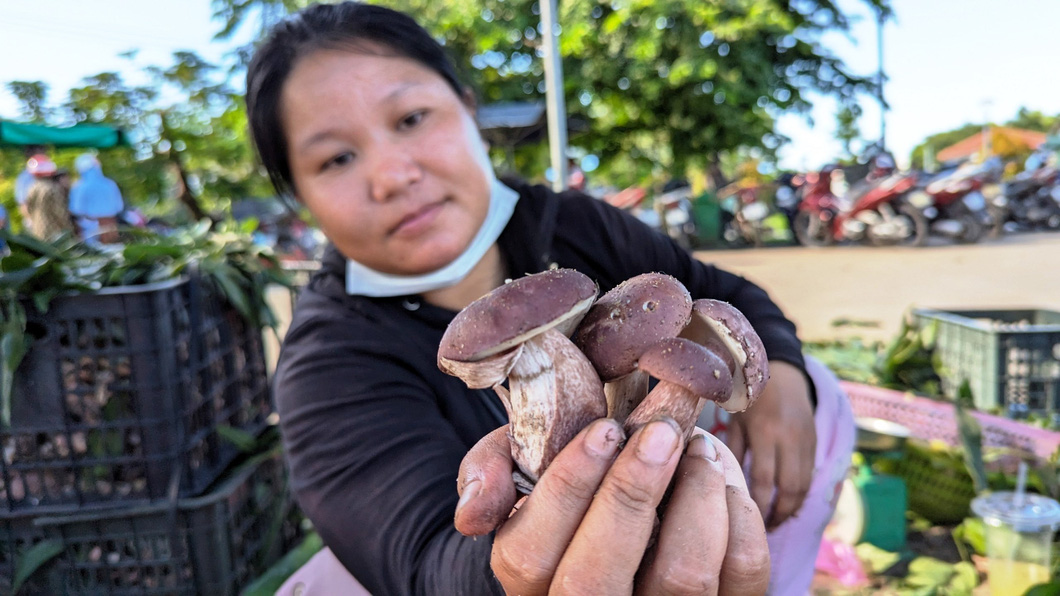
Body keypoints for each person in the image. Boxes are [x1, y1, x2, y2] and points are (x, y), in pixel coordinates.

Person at [247, 4, 853, 595]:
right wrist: (514, 569)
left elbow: (725, 293)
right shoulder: (327, 366)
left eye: (410, 119)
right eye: (337, 158)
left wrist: (782, 375)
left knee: (818, 391)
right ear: (300, 197)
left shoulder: (575, 228)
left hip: (680, 483)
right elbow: (425, 561)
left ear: (466, 106)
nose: (392, 174)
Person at [69, 153, 124, 244]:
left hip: (90, 226)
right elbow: (119, 207)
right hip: (111, 225)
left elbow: (76, 209)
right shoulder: (110, 183)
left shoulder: (79, 186)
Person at [23, 155, 76, 240]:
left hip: (38, 234)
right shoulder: (52, 188)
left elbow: (29, 210)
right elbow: (60, 214)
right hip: (54, 235)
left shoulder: (32, 188)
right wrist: (70, 232)